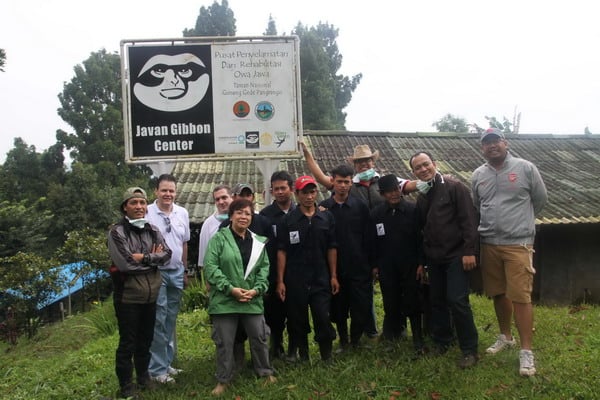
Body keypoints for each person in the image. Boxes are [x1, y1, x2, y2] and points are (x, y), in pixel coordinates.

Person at [302, 142, 419, 338]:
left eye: (367, 160)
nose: (364, 164)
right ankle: (372, 331)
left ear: (373, 161)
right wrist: (307, 155)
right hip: (360, 243)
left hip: (390, 239)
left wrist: (431, 179)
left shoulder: (385, 181)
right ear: (355, 165)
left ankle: (399, 329)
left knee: (396, 289)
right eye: (360, 162)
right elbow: (322, 178)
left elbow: (409, 185)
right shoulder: (350, 184)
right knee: (374, 293)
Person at [471, 128, 548, 377]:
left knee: (521, 296)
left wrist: (519, 223)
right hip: (489, 242)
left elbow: (540, 199)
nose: (491, 146)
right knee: (498, 292)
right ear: (482, 148)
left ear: (505, 143)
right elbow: (477, 204)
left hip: (518, 243)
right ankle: (506, 336)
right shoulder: (478, 175)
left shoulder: (525, 168)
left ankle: (526, 351)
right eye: (487, 143)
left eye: (496, 141)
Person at [409, 152, 480, 369]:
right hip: (434, 257)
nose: (423, 169)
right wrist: (423, 261)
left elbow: (469, 220)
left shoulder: (454, 187)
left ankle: (469, 349)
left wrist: (470, 251)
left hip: (456, 255)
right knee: (437, 300)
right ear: (414, 173)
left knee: (457, 300)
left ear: (434, 164)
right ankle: (443, 341)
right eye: (418, 168)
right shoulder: (422, 196)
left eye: (426, 165)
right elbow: (421, 232)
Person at [203, 198, 276, 396]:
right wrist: (230, 289)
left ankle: (265, 372)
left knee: (260, 337)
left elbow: (264, 269)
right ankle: (223, 379)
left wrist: (257, 289)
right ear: (231, 215)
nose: (243, 217)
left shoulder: (258, 242)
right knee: (224, 342)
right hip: (225, 300)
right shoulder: (219, 239)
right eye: (239, 212)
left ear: (252, 218)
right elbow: (211, 268)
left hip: (252, 298)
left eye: (248, 214)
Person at [108, 187, 172, 399]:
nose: (139, 207)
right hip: (128, 297)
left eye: (142, 203)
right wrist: (152, 260)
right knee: (128, 342)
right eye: (133, 203)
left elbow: (167, 255)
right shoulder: (117, 232)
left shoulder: (152, 229)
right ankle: (126, 385)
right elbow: (125, 265)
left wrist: (142, 258)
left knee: (146, 339)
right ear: (125, 206)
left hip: (150, 295)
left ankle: (144, 378)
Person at [276, 176, 339, 362]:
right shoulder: (288, 221)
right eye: (305, 192)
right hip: (296, 278)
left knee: (322, 315)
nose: (309, 196)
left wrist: (333, 275)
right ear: (297, 194)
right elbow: (282, 251)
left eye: (312, 192)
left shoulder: (326, 217)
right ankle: (303, 355)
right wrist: (280, 280)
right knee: (297, 319)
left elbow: (332, 247)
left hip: (321, 277)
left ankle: (326, 355)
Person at [319, 164, 374, 350]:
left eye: (347, 182)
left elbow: (369, 236)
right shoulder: (323, 209)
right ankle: (343, 341)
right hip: (334, 269)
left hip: (359, 267)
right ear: (332, 181)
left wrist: (371, 264)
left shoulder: (360, 207)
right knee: (339, 309)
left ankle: (356, 340)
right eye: (339, 181)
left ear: (351, 183)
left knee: (361, 306)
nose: (342, 185)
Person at [370, 174, 426, 355]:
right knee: (390, 301)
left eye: (395, 190)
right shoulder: (376, 214)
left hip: (410, 265)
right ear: (382, 194)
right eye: (388, 192)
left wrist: (421, 263)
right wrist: (375, 265)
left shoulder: (412, 210)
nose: (393, 194)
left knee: (413, 300)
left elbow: (420, 238)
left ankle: (417, 337)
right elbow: (372, 243)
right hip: (387, 266)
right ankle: (392, 336)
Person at [147, 174, 190, 384]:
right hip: (156, 273)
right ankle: (156, 370)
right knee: (158, 319)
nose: (168, 194)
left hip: (176, 271)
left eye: (171, 191)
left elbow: (184, 243)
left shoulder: (182, 212)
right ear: (156, 191)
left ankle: (167, 363)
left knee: (171, 320)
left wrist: (184, 269)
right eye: (164, 190)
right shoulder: (147, 212)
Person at [259, 171, 296, 359]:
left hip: (297, 272)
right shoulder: (265, 216)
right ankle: (276, 345)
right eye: (276, 189)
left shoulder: (301, 212)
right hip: (273, 274)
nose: (280, 192)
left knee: (296, 312)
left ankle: (294, 348)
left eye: (283, 188)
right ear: (271, 192)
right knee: (275, 314)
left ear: (291, 188)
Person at [197, 185, 234, 273]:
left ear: (232, 197)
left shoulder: (241, 219)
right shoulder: (208, 224)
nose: (221, 202)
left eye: (224, 197)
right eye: (217, 199)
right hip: (217, 275)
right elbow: (203, 256)